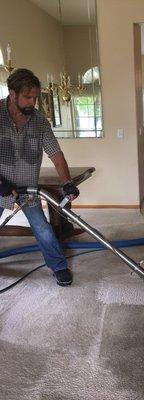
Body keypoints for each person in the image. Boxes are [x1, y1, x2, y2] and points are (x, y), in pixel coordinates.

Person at [0, 68, 79, 286]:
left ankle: (59, 266)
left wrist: (68, 183)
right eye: (28, 97)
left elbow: (56, 155)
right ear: (12, 94)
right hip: (1, 186)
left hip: (28, 189)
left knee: (42, 227)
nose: (33, 103)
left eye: (35, 97)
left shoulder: (39, 122)